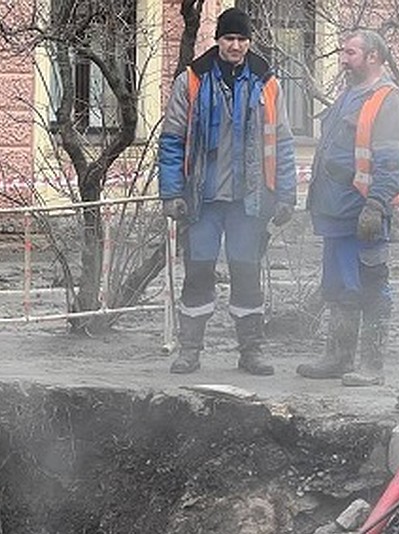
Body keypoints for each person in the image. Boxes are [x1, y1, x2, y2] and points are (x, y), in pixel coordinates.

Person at [158, 7, 296, 376]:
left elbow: (281, 143)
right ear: (217, 40)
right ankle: (190, 350)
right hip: (201, 201)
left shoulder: (267, 82)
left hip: (249, 202)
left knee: (247, 274)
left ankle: (251, 352)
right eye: (228, 38)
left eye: (241, 39)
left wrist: (286, 195)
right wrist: (172, 193)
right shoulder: (191, 80)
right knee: (198, 273)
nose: (235, 45)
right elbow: (172, 140)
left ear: (249, 41)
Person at [298, 30, 399, 387]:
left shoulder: (387, 101)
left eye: (350, 53)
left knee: (372, 286)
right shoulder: (348, 96)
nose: (343, 60)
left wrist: (376, 205)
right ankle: (339, 358)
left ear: (373, 56)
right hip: (335, 212)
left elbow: (392, 161)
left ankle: (372, 365)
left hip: (363, 214)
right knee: (339, 286)